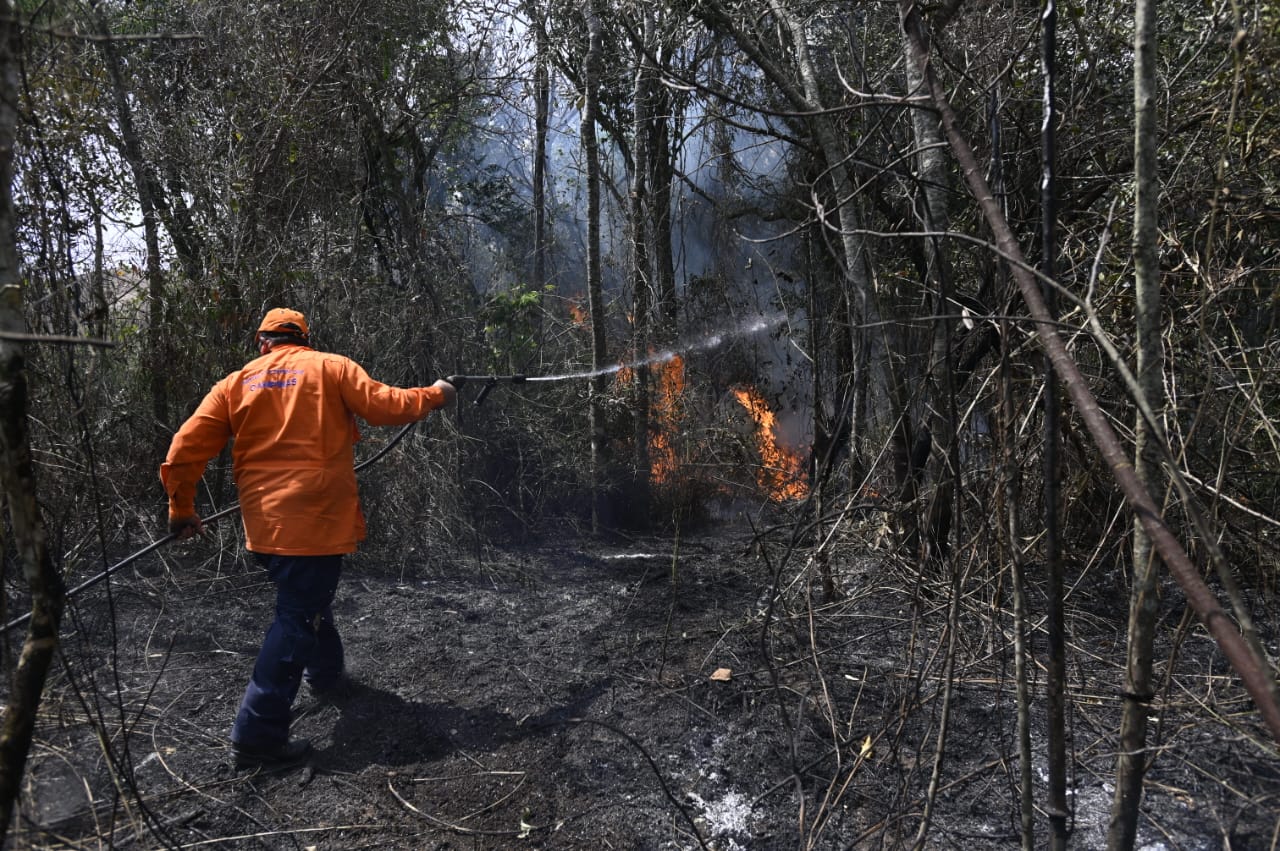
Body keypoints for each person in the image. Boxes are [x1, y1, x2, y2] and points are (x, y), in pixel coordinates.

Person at [160, 308, 456, 770]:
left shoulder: (235, 383)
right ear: (303, 338)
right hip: (316, 523)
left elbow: (183, 449)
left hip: (265, 528)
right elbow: (386, 405)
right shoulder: (330, 367)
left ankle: (327, 675)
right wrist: (435, 395)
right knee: (297, 617)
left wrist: (182, 510)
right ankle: (256, 737)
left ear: (264, 343)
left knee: (309, 599)